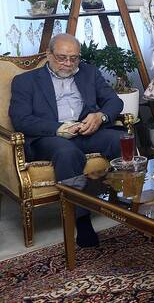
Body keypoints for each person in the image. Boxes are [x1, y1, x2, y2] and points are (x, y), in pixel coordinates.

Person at [9, 33, 124, 248]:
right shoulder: (25, 81)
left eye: (74, 58)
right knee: (67, 153)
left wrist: (100, 117)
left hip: (85, 131)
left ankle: (128, 200)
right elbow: (20, 119)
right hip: (50, 137)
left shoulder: (89, 73)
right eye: (62, 58)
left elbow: (114, 102)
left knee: (122, 139)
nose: (68, 63)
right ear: (49, 54)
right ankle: (82, 220)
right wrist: (57, 128)